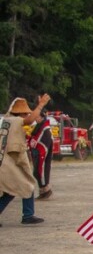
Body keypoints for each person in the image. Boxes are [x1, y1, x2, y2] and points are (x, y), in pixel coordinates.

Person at [0, 95, 50, 226]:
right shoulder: (15, 120)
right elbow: (30, 120)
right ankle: (28, 215)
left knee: (11, 191)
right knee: (28, 184)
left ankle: (28, 214)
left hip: (5, 160)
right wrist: (41, 105)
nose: (26, 114)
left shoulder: (6, 119)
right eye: (25, 112)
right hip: (9, 161)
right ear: (20, 112)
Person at [27, 96, 54, 199]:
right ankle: (43, 189)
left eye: (38, 116)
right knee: (37, 172)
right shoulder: (39, 126)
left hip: (41, 152)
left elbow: (43, 143)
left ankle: (45, 189)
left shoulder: (45, 129)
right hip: (37, 151)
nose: (36, 118)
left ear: (42, 116)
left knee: (38, 171)